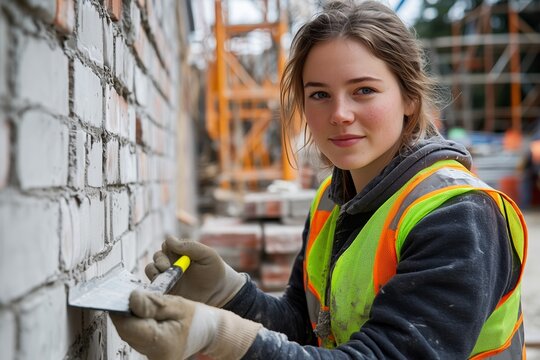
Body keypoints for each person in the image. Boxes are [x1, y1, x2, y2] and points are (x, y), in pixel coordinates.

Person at [110, 1, 528, 359]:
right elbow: (306, 328)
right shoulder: (334, 200)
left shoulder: (459, 215)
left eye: (363, 90)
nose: (340, 114)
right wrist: (228, 293)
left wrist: (219, 336)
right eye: (319, 94)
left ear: (409, 97)